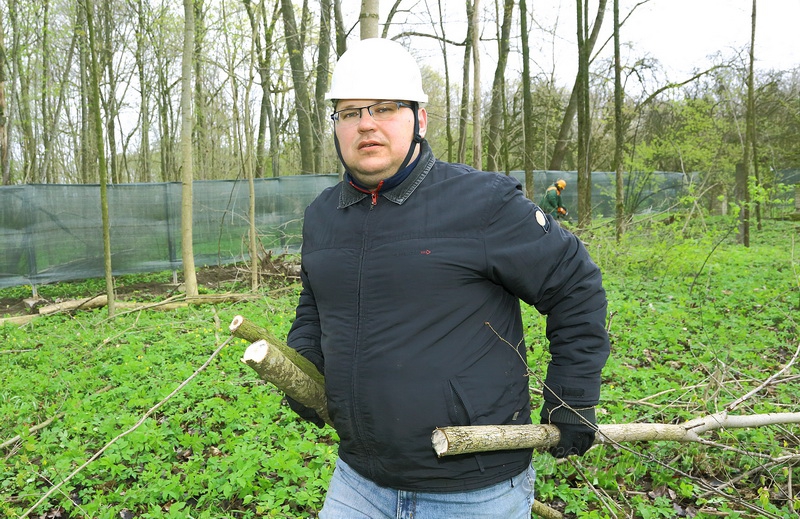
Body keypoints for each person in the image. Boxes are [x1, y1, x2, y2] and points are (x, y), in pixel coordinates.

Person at [286, 38, 610, 518]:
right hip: (359, 480)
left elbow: (575, 287)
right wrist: (304, 363)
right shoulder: (323, 216)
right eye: (350, 112)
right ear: (336, 126)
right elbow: (315, 302)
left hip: (472, 487)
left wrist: (573, 397)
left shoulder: (483, 203)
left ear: (419, 119)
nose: (366, 123)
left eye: (385, 108)